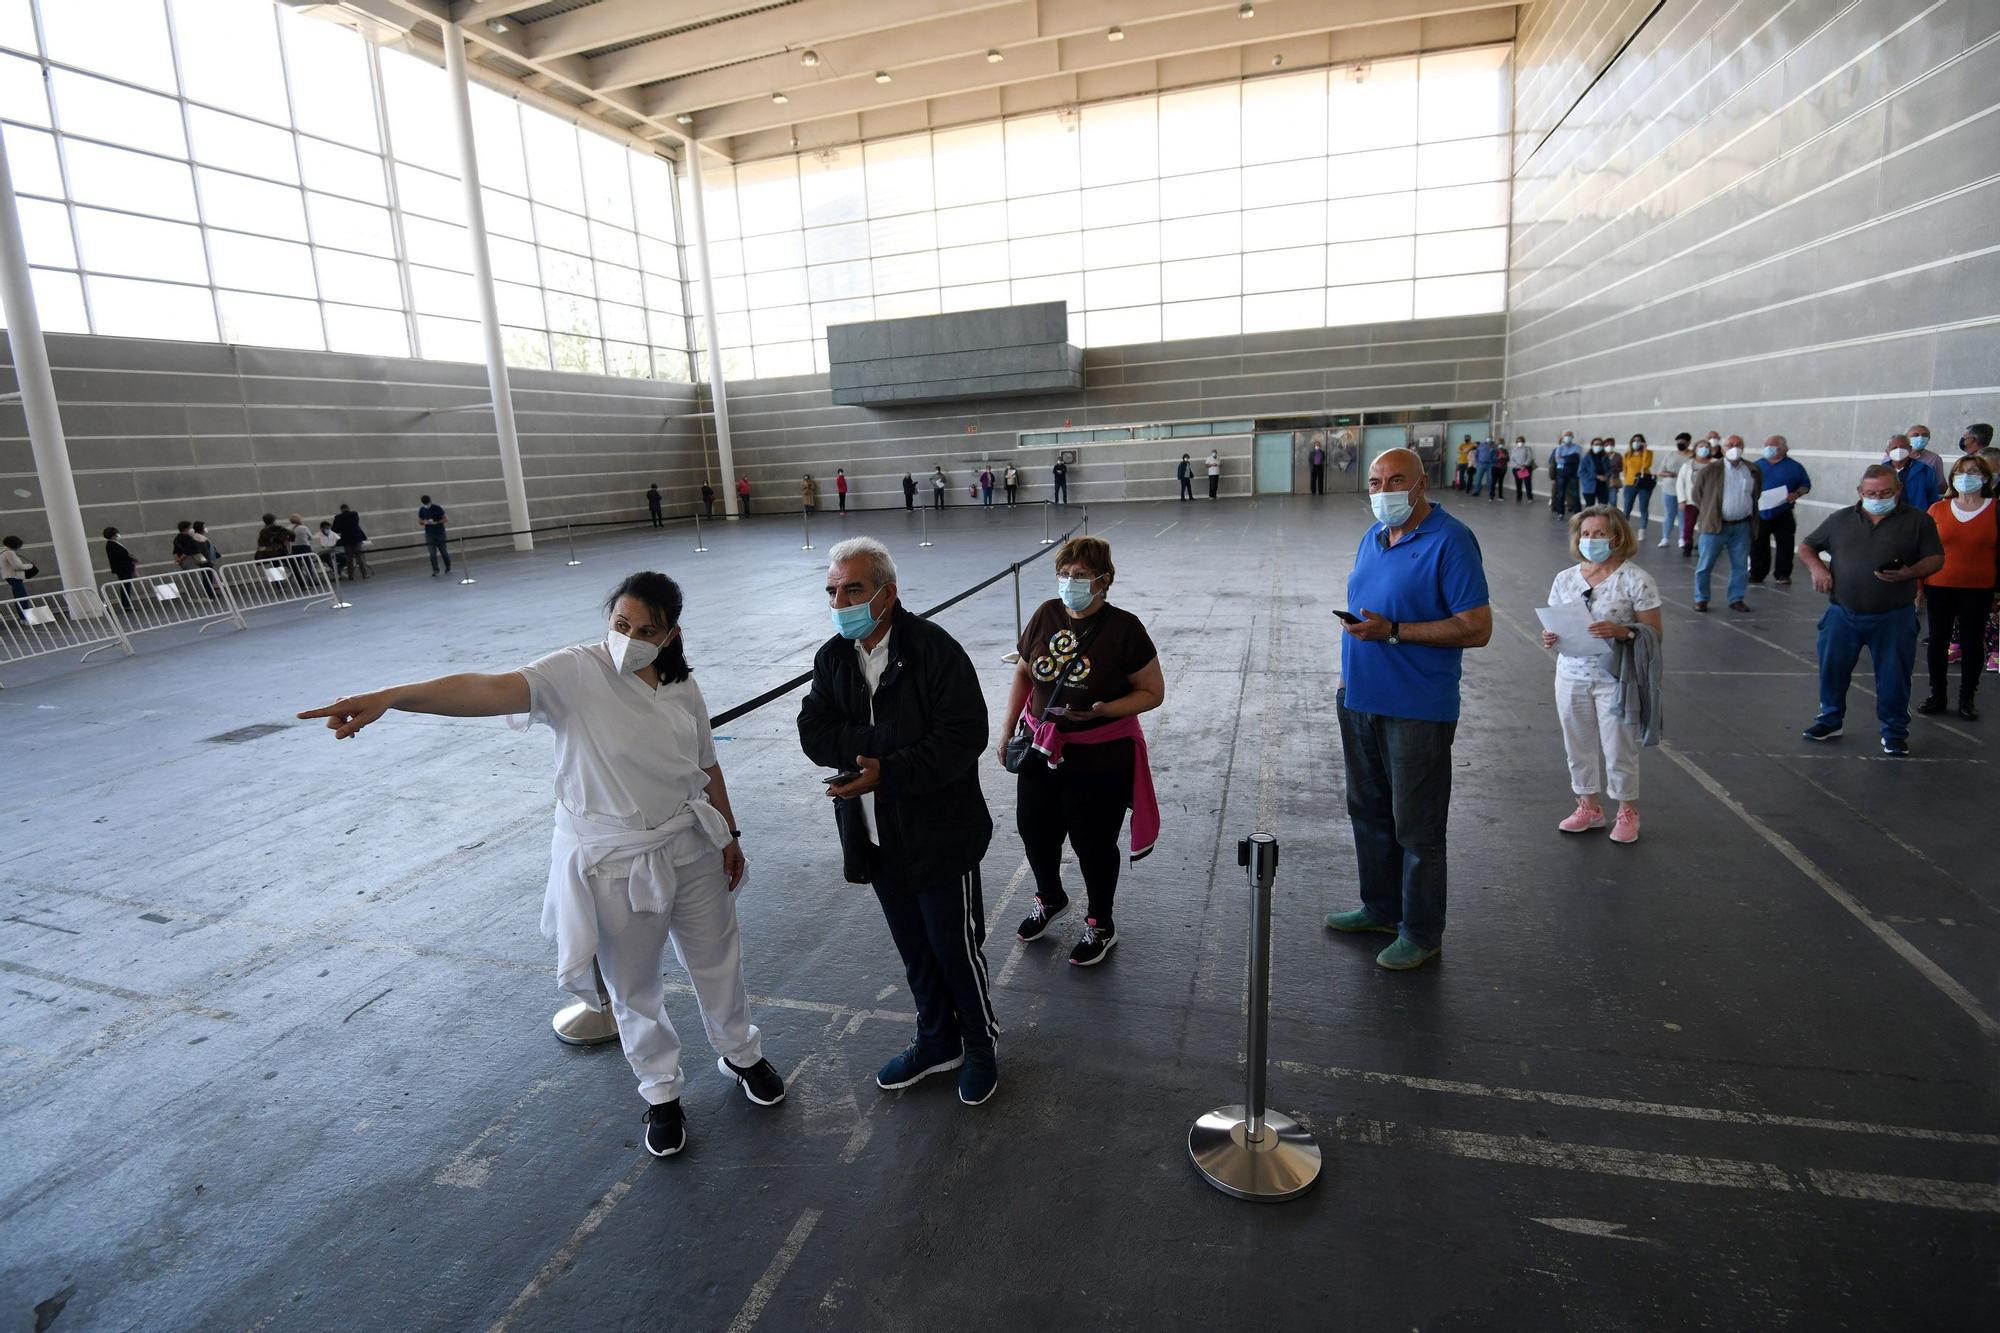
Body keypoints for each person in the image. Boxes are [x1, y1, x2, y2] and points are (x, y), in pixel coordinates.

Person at [297, 571, 784, 1157]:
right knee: (634, 985)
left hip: (692, 843)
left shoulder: (682, 686)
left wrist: (729, 832)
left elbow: (706, 766)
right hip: (615, 860)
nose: (628, 638)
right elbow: (486, 689)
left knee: (717, 958)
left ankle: (741, 1054)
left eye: (646, 631)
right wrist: (394, 697)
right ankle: (660, 1091)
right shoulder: (575, 672)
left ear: (671, 635)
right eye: (620, 624)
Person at [798, 537, 999, 1106]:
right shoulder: (833, 658)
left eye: (853, 589)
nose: (840, 601)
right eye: (833, 591)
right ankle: (937, 1039)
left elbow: (963, 738)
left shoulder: (934, 651)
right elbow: (814, 730)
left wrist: (888, 768)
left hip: (938, 834)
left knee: (953, 946)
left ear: (888, 594)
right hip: (873, 835)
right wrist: (880, 751)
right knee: (913, 947)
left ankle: (980, 1043)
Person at [1323, 448, 1492, 971]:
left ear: (1422, 483)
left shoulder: (1451, 540)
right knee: (1368, 813)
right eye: (1375, 482)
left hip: (1417, 708)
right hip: (1360, 699)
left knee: (1417, 828)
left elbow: (1477, 627)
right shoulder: (1373, 537)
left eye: (1396, 480)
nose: (1383, 492)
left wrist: (1393, 632)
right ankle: (1380, 908)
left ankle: (1420, 932)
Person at [1000, 537, 1165, 967]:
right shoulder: (1045, 615)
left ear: (1103, 581)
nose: (1068, 583)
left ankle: (1100, 922)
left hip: (1100, 754)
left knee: (1092, 843)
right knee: (1034, 829)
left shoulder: (1125, 629)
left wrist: (1106, 710)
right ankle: (1050, 897)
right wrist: (1004, 732)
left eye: (1079, 576)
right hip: (1041, 746)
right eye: (1063, 575)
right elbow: (1023, 673)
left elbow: (1152, 692)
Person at [1797, 465, 1944, 756]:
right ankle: (1830, 719)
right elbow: (1807, 546)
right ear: (1860, 492)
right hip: (1842, 613)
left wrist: (1910, 572)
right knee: (1832, 671)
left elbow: (1936, 558)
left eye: (1886, 492)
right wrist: (1818, 569)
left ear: (1898, 491)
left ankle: (1894, 732)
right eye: (1871, 493)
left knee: (1893, 677)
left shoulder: (1918, 521)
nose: (1878, 497)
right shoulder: (1839, 519)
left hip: (1894, 615)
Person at [1539, 506, 1663, 844]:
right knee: (1576, 743)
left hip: (1616, 677)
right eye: (1586, 534)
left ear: (1617, 537)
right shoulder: (1565, 579)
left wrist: (1621, 631)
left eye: (1599, 533)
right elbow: (1555, 624)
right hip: (1571, 673)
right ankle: (1588, 805)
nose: (1591, 540)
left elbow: (1654, 633)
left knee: (1619, 746)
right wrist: (1550, 637)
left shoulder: (1636, 580)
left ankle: (1627, 809)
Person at [1920, 455, 1996, 720]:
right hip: (1939, 584)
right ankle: (1937, 695)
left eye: (1973, 471)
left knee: (1972, 642)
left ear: (1985, 477)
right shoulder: (1937, 509)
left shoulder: (1996, 508)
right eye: (1961, 472)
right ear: (1952, 478)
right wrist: (1918, 586)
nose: (1966, 476)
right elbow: (1924, 549)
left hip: (1979, 586)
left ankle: (1967, 698)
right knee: (1938, 640)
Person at [1685, 434, 1761, 612]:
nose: (1734, 447)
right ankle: (1701, 598)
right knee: (1705, 565)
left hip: (1742, 525)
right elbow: (1697, 495)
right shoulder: (1710, 470)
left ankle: (1736, 598)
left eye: (1738, 444)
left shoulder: (1752, 470)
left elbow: (1756, 494)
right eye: (1730, 444)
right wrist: (1710, 511)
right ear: (1722, 448)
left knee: (1740, 565)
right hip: (1715, 525)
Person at [1750, 436, 1811, 585]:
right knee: (1758, 544)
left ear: (1783, 448)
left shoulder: (1795, 467)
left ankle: (1783, 574)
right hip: (1761, 511)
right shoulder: (1756, 465)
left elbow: (1805, 485)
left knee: (1785, 544)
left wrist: (1796, 494)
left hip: (1783, 511)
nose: (1768, 447)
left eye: (1773, 445)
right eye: (1766, 445)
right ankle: (1757, 573)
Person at [1882, 434, 1939, 511]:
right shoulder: (1880, 471)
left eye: (1902, 447)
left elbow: (1933, 499)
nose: (1898, 450)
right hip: (1888, 516)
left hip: (1917, 517)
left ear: (1909, 449)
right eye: (1894, 448)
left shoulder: (1925, 470)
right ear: (1887, 452)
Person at [1682, 436, 1716, 556]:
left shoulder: (1715, 465)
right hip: (1691, 501)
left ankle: (1703, 546)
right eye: (1701, 446)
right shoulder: (1688, 464)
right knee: (1689, 524)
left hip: (1708, 501)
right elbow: (1681, 483)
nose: (1704, 449)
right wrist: (1682, 500)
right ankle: (1687, 544)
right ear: (1695, 449)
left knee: (1705, 525)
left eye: (1706, 447)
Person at [1655, 435, 1691, 548]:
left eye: (1683, 441)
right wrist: (1669, 474)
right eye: (1678, 441)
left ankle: (1682, 538)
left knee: (1683, 515)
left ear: (1688, 442)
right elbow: (1660, 472)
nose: (1680, 443)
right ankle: (1665, 538)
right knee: (1669, 514)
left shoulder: (1692, 456)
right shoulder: (1670, 455)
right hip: (1669, 488)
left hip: (1685, 490)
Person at [1618, 435, 1655, 533]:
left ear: (1643, 442)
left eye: (1639, 441)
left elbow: (1646, 465)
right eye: (1634, 441)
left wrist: (1645, 449)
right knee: (1627, 507)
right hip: (1630, 484)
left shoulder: (1648, 453)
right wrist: (1626, 481)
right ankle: (1624, 529)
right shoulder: (1627, 454)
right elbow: (1625, 469)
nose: (1636, 442)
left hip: (1643, 483)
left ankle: (1642, 529)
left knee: (1643, 507)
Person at [103, 526, 137, 611]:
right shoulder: (111, 545)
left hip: (124, 568)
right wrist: (130, 558)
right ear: (112, 535)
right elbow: (120, 557)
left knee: (126, 586)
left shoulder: (114, 544)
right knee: (125, 586)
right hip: (123, 569)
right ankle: (126, 604)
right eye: (116, 533)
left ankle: (127, 604)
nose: (118, 535)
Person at [330, 505, 368, 580]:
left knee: (349, 559)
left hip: (346, 540)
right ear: (348, 508)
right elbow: (356, 524)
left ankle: (351, 576)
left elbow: (334, 529)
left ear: (341, 510)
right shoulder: (354, 514)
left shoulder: (338, 517)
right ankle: (365, 574)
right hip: (356, 538)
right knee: (360, 557)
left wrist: (342, 529)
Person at [1906, 423, 1946, 493]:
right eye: (1916, 435)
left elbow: (1941, 484)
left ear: (1928, 439)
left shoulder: (1934, 458)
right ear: (1906, 438)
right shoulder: (1895, 456)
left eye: (1924, 435)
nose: (1920, 438)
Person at [1550, 432, 1582, 518]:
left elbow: (1579, 460)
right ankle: (1560, 513)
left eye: (1569, 435)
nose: (1567, 437)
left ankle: (1578, 512)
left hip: (1574, 472)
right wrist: (1570, 459)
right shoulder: (1559, 448)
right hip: (1561, 472)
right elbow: (1558, 460)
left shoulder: (1577, 447)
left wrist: (1564, 458)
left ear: (1572, 437)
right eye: (1566, 436)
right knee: (1560, 493)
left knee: (1575, 493)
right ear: (1563, 437)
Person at [417, 496, 451, 576]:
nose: (426, 505)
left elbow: (445, 519)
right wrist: (424, 522)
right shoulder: (422, 510)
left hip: (440, 533)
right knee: (432, 553)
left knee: (443, 551)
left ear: (430, 501)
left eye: (427, 503)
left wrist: (437, 522)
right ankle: (435, 569)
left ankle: (448, 566)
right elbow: (419, 521)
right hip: (429, 534)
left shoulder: (437, 508)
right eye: (425, 503)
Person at [1, 534, 30, 605]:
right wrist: (29, 566)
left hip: (11, 577)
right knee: (23, 599)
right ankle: (24, 615)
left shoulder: (3, 553)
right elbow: (17, 567)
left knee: (19, 599)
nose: (19, 548)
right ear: (15, 545)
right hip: (14, 577)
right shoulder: (10, 553)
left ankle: (22, 614)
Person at [1472, 436, 1498, 501]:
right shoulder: (1481, 445)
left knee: (1490, 479)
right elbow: (1477, 454)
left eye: (1490, 438)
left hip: (1490, 464)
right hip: (1481, 464)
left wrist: (1493, 461)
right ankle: (1476, 491)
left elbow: (1496, 455)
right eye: (1488, 438)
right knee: (1478, 478)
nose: (1489, 440)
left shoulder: (1494, 446)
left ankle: (1490, 492)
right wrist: (1477, 461)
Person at [1510, 436, 1535, 502]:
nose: (1519, 442)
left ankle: (1529, 497)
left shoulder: (1527, 448)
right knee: (1518, 484)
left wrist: (1524, 465)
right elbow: (1512, 459)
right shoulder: (1514, 449)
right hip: (1517, 469)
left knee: (1527, 483)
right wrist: (1518, 466)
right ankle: (1519, 497)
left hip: (1525, 468)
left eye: (1520, 441)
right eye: (1518, 441)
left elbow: (1530, 457)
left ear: (1523, 441)